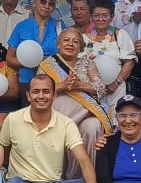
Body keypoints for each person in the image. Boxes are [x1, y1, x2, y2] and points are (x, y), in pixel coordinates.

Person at [40, 26, 113, 169]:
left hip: (87, 112)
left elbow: (100, 88)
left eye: (75, 42)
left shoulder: (87, 63)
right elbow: (40, 91)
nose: (70, 44)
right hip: (59, 112)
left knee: (93, 126)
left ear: (80, 47)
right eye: (66, 40)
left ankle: (89, 174)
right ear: (58, 44)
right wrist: (62, 85)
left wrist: (78, 85)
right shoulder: (47, 64)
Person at [6, 0, 62, 88]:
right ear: (35, 2)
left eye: (51, 4)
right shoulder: (21, 26)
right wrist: (30, 62)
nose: (47, 6)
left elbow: (68, 56)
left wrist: (48, 62)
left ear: (54, 8)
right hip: (26, 82)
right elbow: (9, 58)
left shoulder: (60, 27)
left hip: (54, 82)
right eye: (43, 1)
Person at [84, 0, 135, 103]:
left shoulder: (120, 35)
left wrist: (116, 83)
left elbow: (129, 62)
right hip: (91, 90)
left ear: (112, 17)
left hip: (116, 89)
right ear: (91, 17)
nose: (100, 19)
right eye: (96, 15)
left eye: (105, 15)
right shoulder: (84, 38)